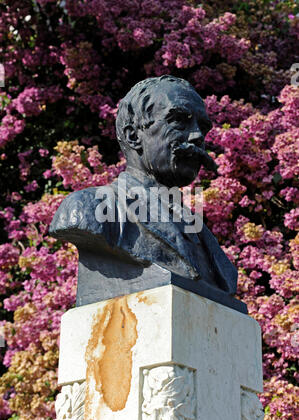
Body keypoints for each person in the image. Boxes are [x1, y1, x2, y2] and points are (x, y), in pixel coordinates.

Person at [50, 76, 246, 313]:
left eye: (201, 127)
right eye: (179, 121)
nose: (197, 136)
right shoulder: (88, 209)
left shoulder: (202, 236)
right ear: (134, 135)